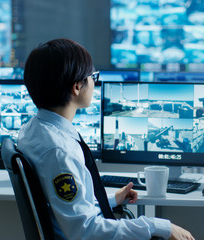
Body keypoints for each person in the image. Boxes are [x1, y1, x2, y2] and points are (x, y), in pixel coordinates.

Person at [17, 38, 194, 240]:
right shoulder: (59, 152)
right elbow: (85, 231)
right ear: (77, 87)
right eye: (93, 76)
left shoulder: (34, 129)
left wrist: (108, 200)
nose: (95, 82)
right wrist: (157, 225)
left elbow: (67, 209)